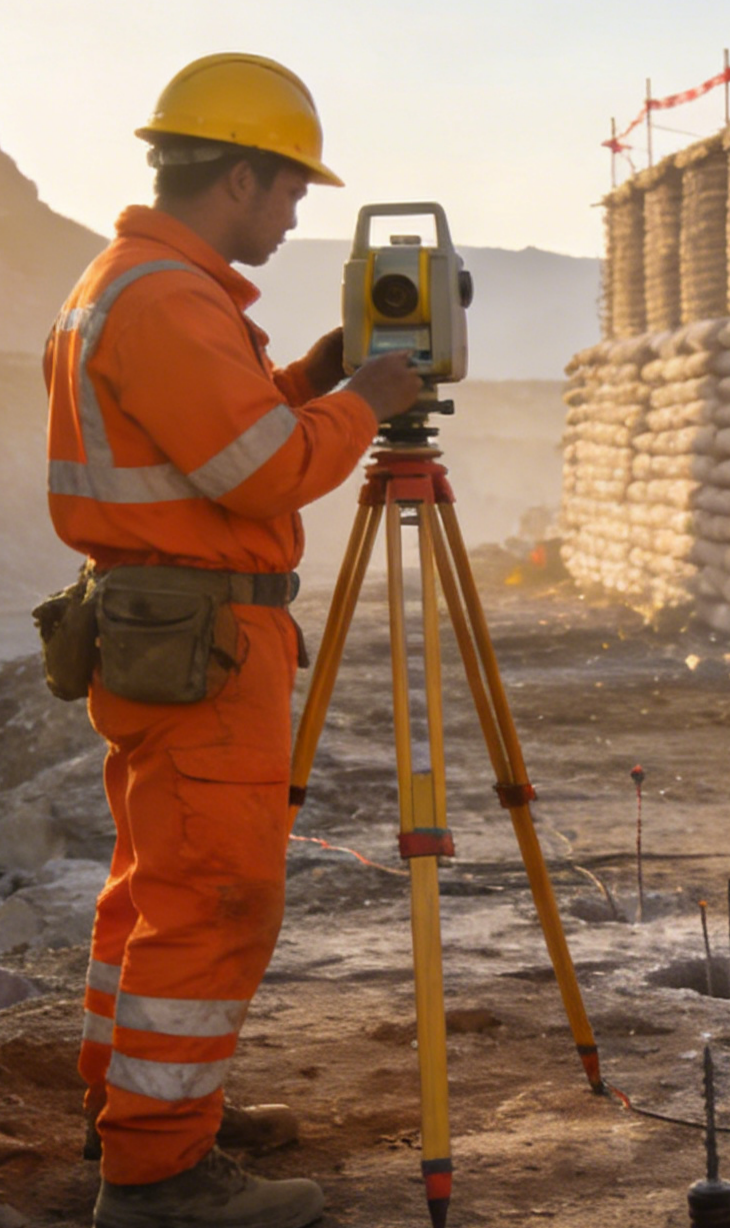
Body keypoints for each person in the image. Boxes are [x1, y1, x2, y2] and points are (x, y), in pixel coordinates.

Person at [43, 53, 423, 1228]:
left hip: (171, 631)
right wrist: (366, 401)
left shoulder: (144, 283)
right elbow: (262, 471)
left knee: (153, 887)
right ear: (242, 176)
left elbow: (218, 436)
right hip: (199, 641)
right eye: (292, 187)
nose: (297, 211)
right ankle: (158, 1173)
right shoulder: (167, 298)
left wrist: (315, 374)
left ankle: (141, 1114)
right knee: (214, 897)